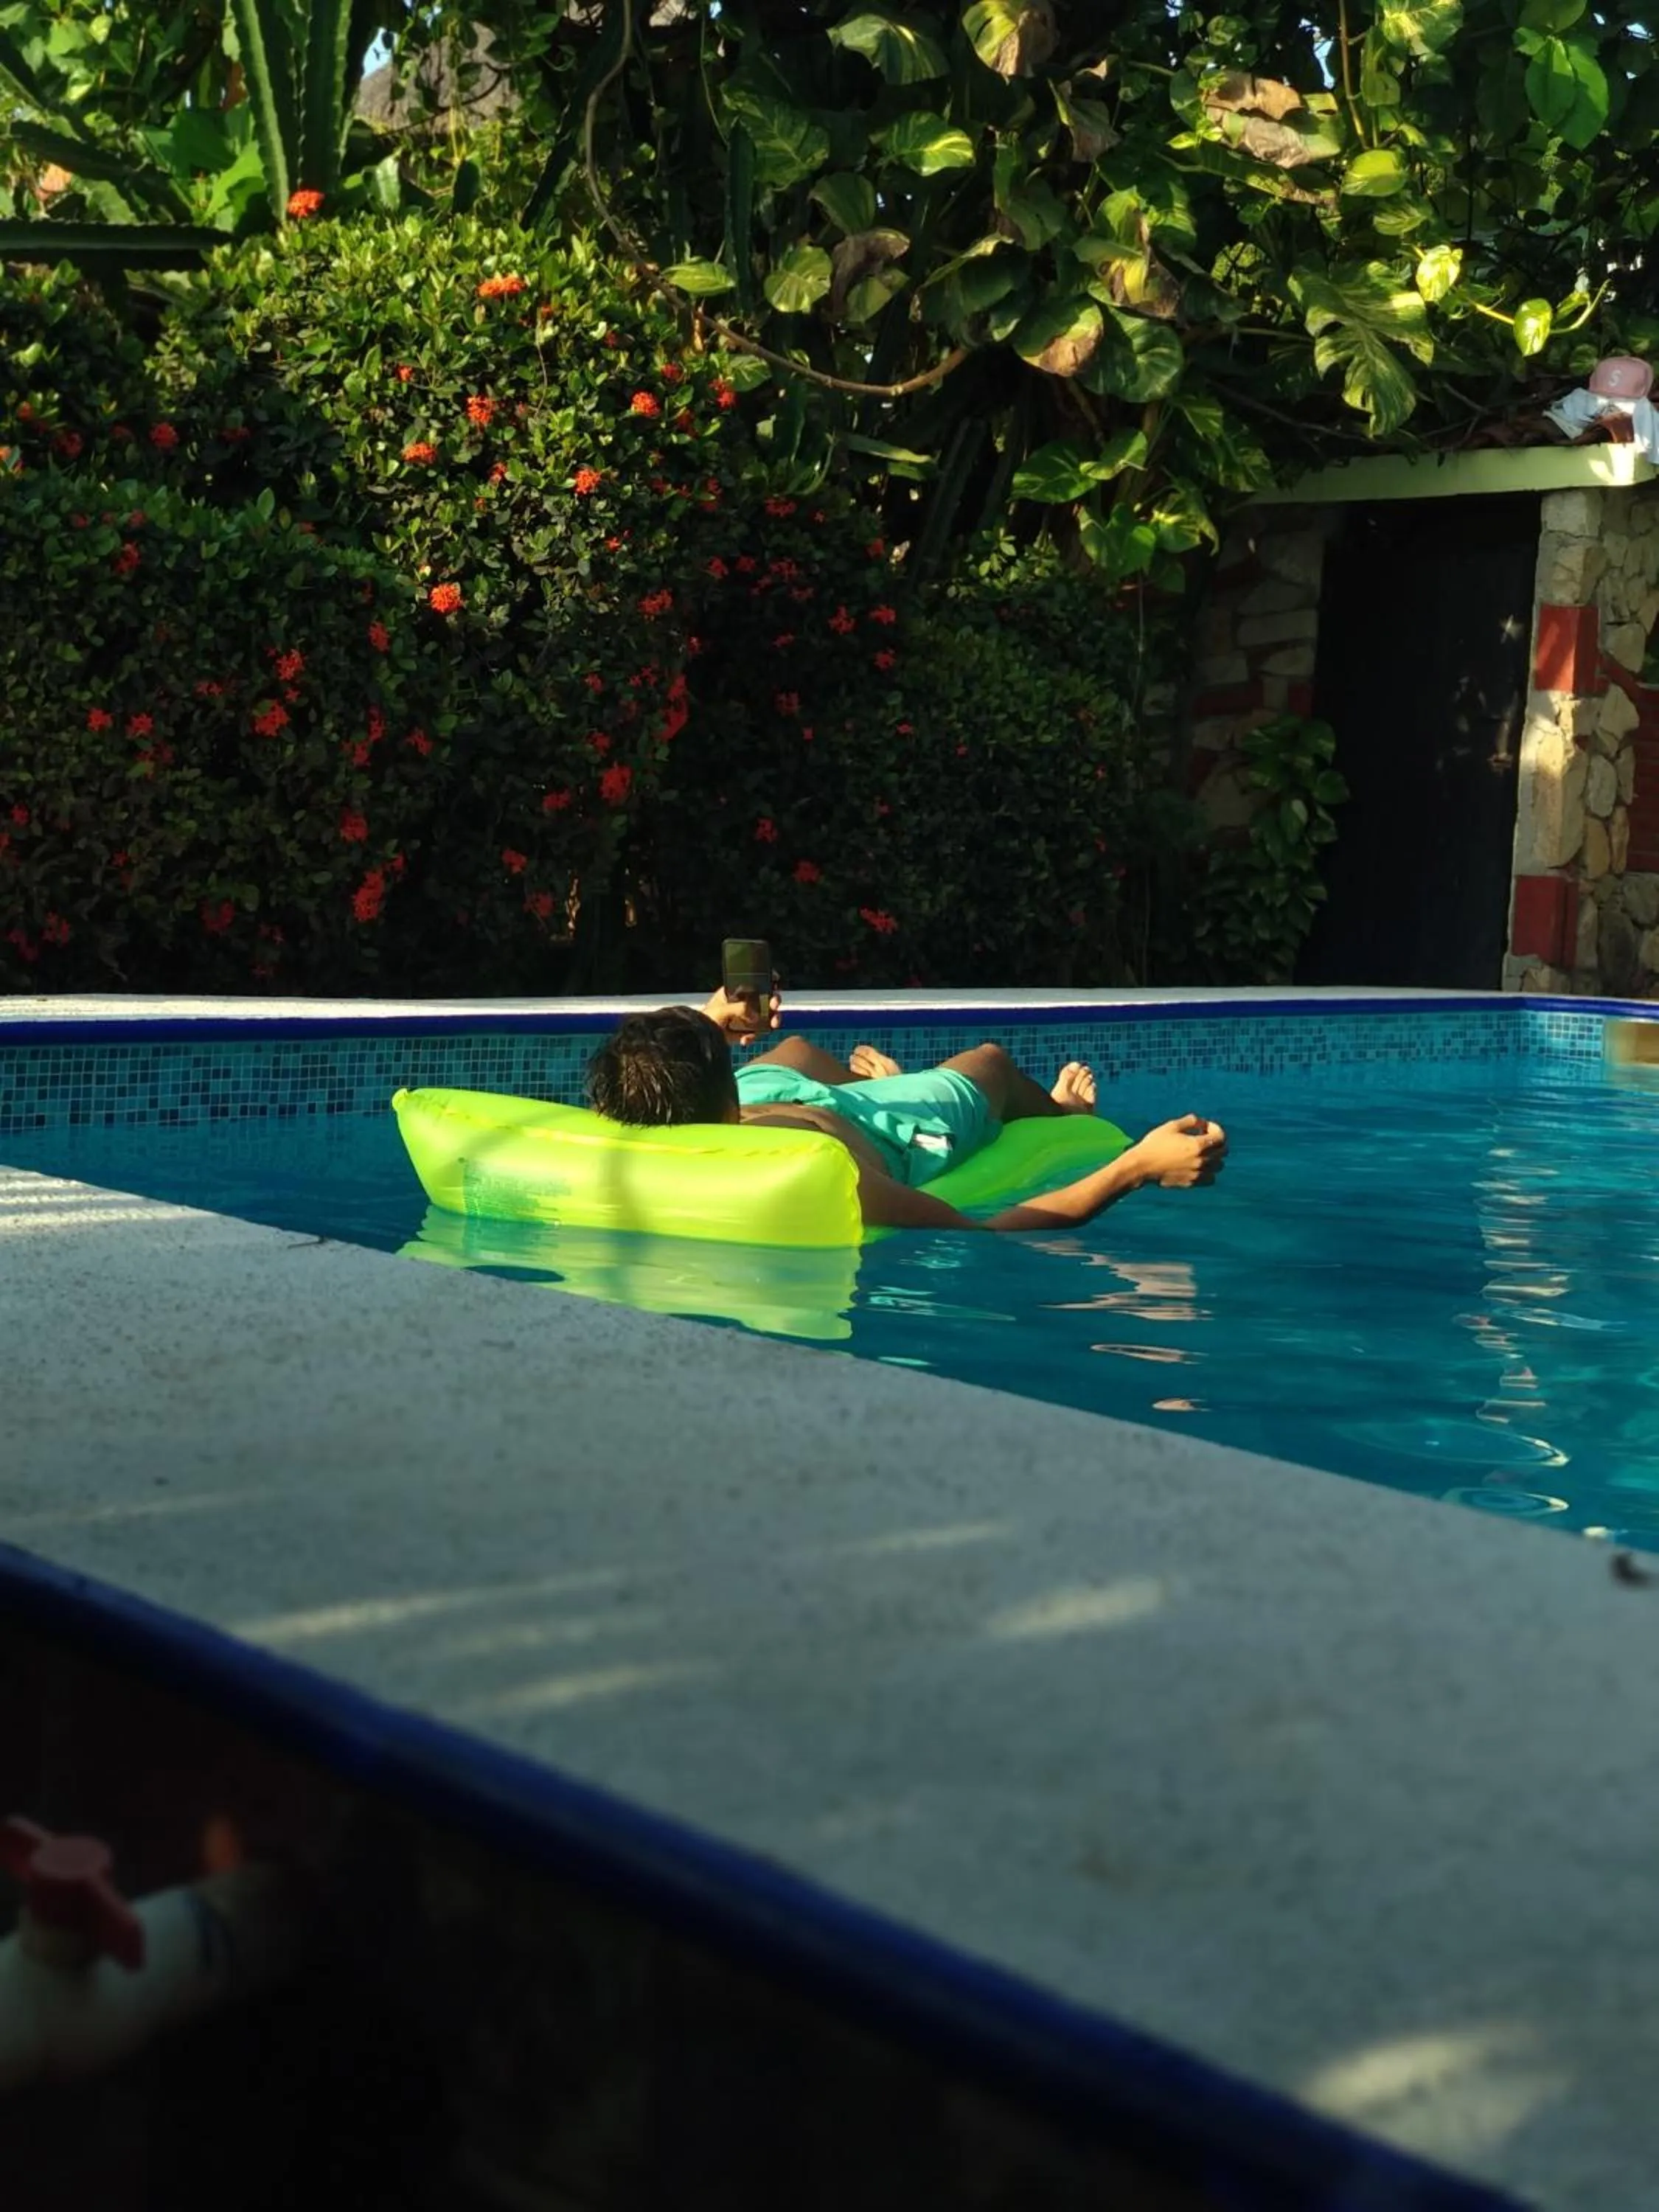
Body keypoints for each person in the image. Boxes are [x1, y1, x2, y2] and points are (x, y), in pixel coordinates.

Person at [585, 981, 1227, 1233]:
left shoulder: (627, 1121)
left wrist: (711, 1022)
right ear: (717, 1096)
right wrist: (1135, 1168)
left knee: (799, 1048)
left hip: (771, 1101)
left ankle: (878, 1084)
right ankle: (1061, 1112)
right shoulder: (817, 1172)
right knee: (992, 1065)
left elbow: (663, 1074)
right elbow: (984, 1234)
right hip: (882, 1134)